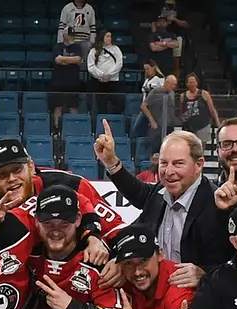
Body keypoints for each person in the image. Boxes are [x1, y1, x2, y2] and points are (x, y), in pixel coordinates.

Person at [99, 130, 229, 272]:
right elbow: (137, 192)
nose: (169, 172)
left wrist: (203, 274)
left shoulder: (216, 205)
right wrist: (111, 162)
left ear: (199, 165)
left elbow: (228, 264)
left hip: (196, 292)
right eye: (164, 163)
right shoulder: (160, 192)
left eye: (178, 163)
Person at [86, 31, 124, 116]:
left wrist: (109, 74)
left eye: (110, 36)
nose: (109, 38)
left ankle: (114, 120)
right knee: (101, 106)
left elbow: (119, 63)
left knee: (120, 102)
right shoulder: (93, 51)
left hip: (113, 82)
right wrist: (101, 74)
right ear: (102, 37)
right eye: (107, 36)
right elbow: (91, 66)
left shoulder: (116, 49)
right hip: (99, 82)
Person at [179, 73, 218, 142]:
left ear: (197, 83)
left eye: (193, 82)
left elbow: (212, 110)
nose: (192, 84)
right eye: (190, 82)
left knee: (201, 146)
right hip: (189, 126)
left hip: (203, 125)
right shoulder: (183, 96)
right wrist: (183, 118)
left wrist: (218, 124)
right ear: (187, 84)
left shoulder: (204, 93)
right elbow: (181, 111)